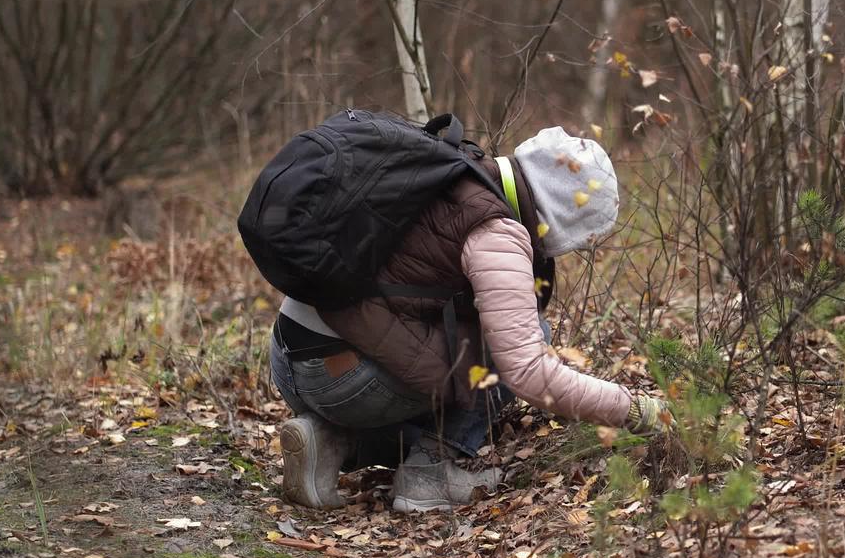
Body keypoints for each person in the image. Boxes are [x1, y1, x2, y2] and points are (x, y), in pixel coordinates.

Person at [268, 126, 666, 512]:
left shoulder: (456, 168)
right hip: (344, 381)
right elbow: (528, 372)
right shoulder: (495, 231)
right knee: (521, 342)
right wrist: (633, 409)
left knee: (467, 340)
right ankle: (429, 476)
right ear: (565, 214)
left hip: (289, 361)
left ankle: (332, 441)